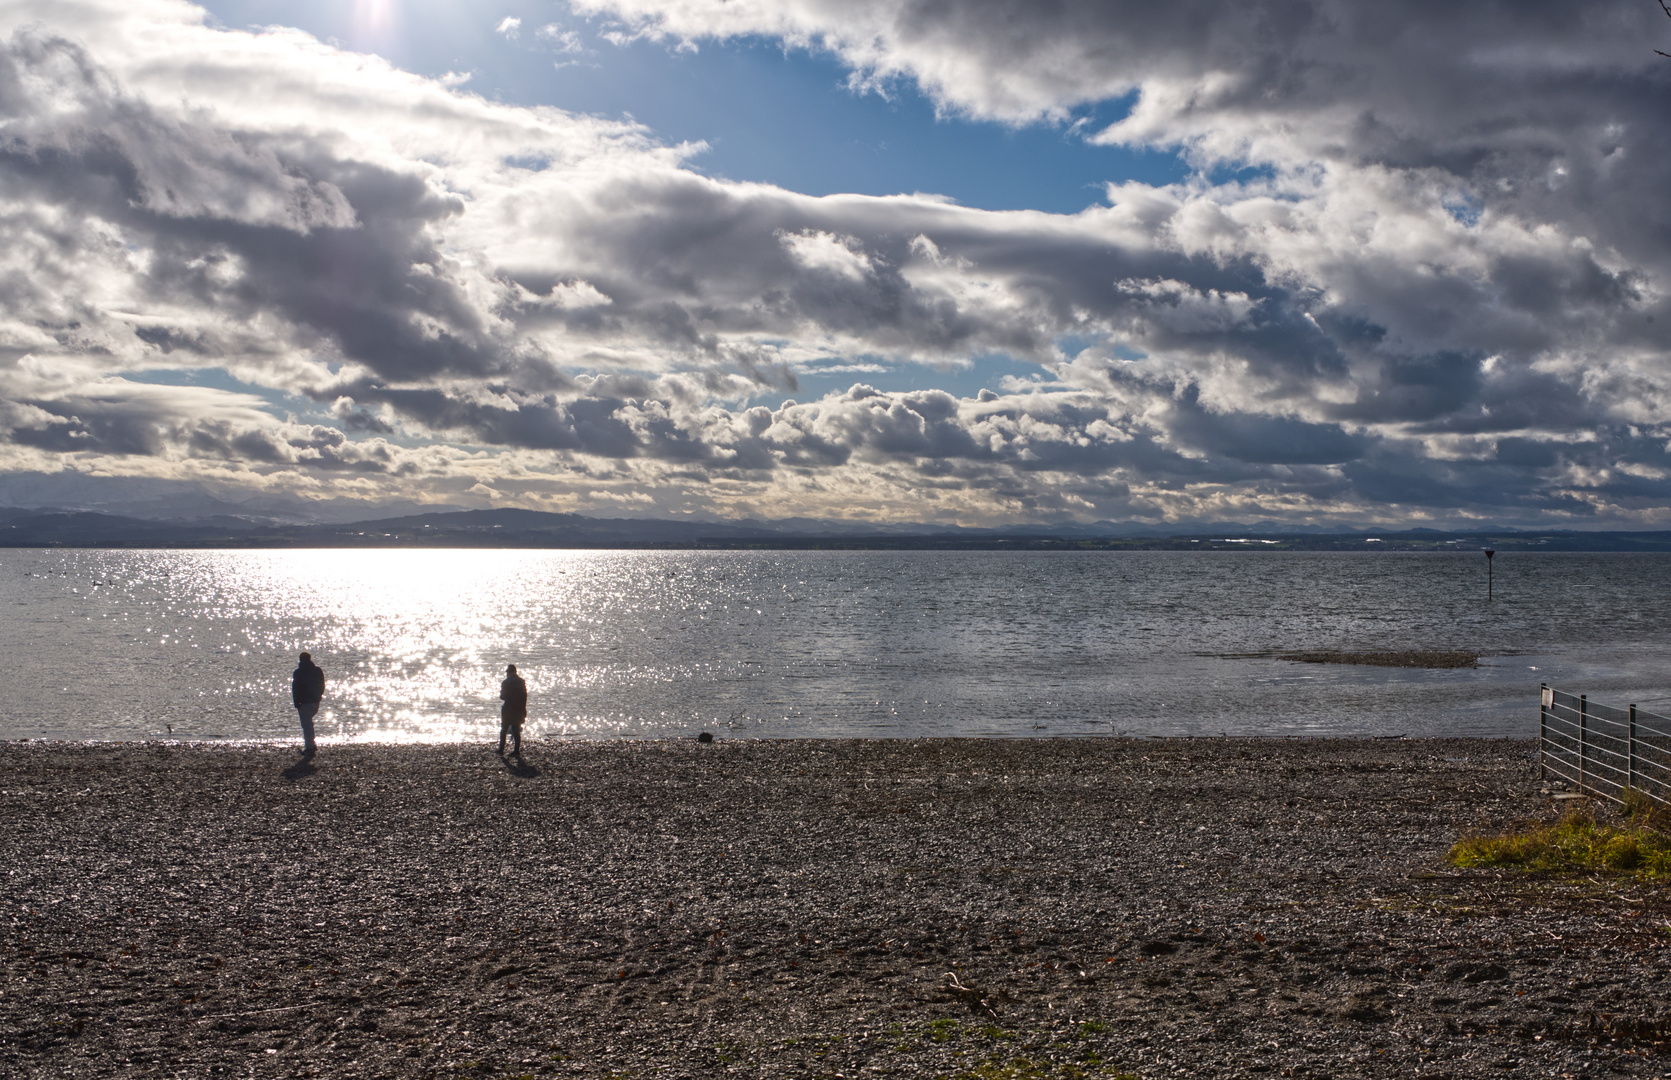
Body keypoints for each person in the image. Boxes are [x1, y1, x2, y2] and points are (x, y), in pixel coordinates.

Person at [291, 652, 325, 756]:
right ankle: (311, 744)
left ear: (300, 660)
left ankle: (309, 746)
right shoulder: (318, 671)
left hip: (304, 702)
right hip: (315, 701)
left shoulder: (298, 673)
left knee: (306, 725)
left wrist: (297, 703)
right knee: (309, 724)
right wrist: (319, 696)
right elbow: (322, 685)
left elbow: (295, 689)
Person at [499, 663, 528, 756]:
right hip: (519, 708)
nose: (507, 674)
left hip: (508, 708)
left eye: (507, 672)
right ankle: (516, 751)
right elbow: (524, 696)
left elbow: (502, 697)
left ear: (509, 672)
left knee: (504, 729)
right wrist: (523, 709)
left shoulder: (506, 683)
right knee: (516, 730)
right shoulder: (521, 682)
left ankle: (501, 749)